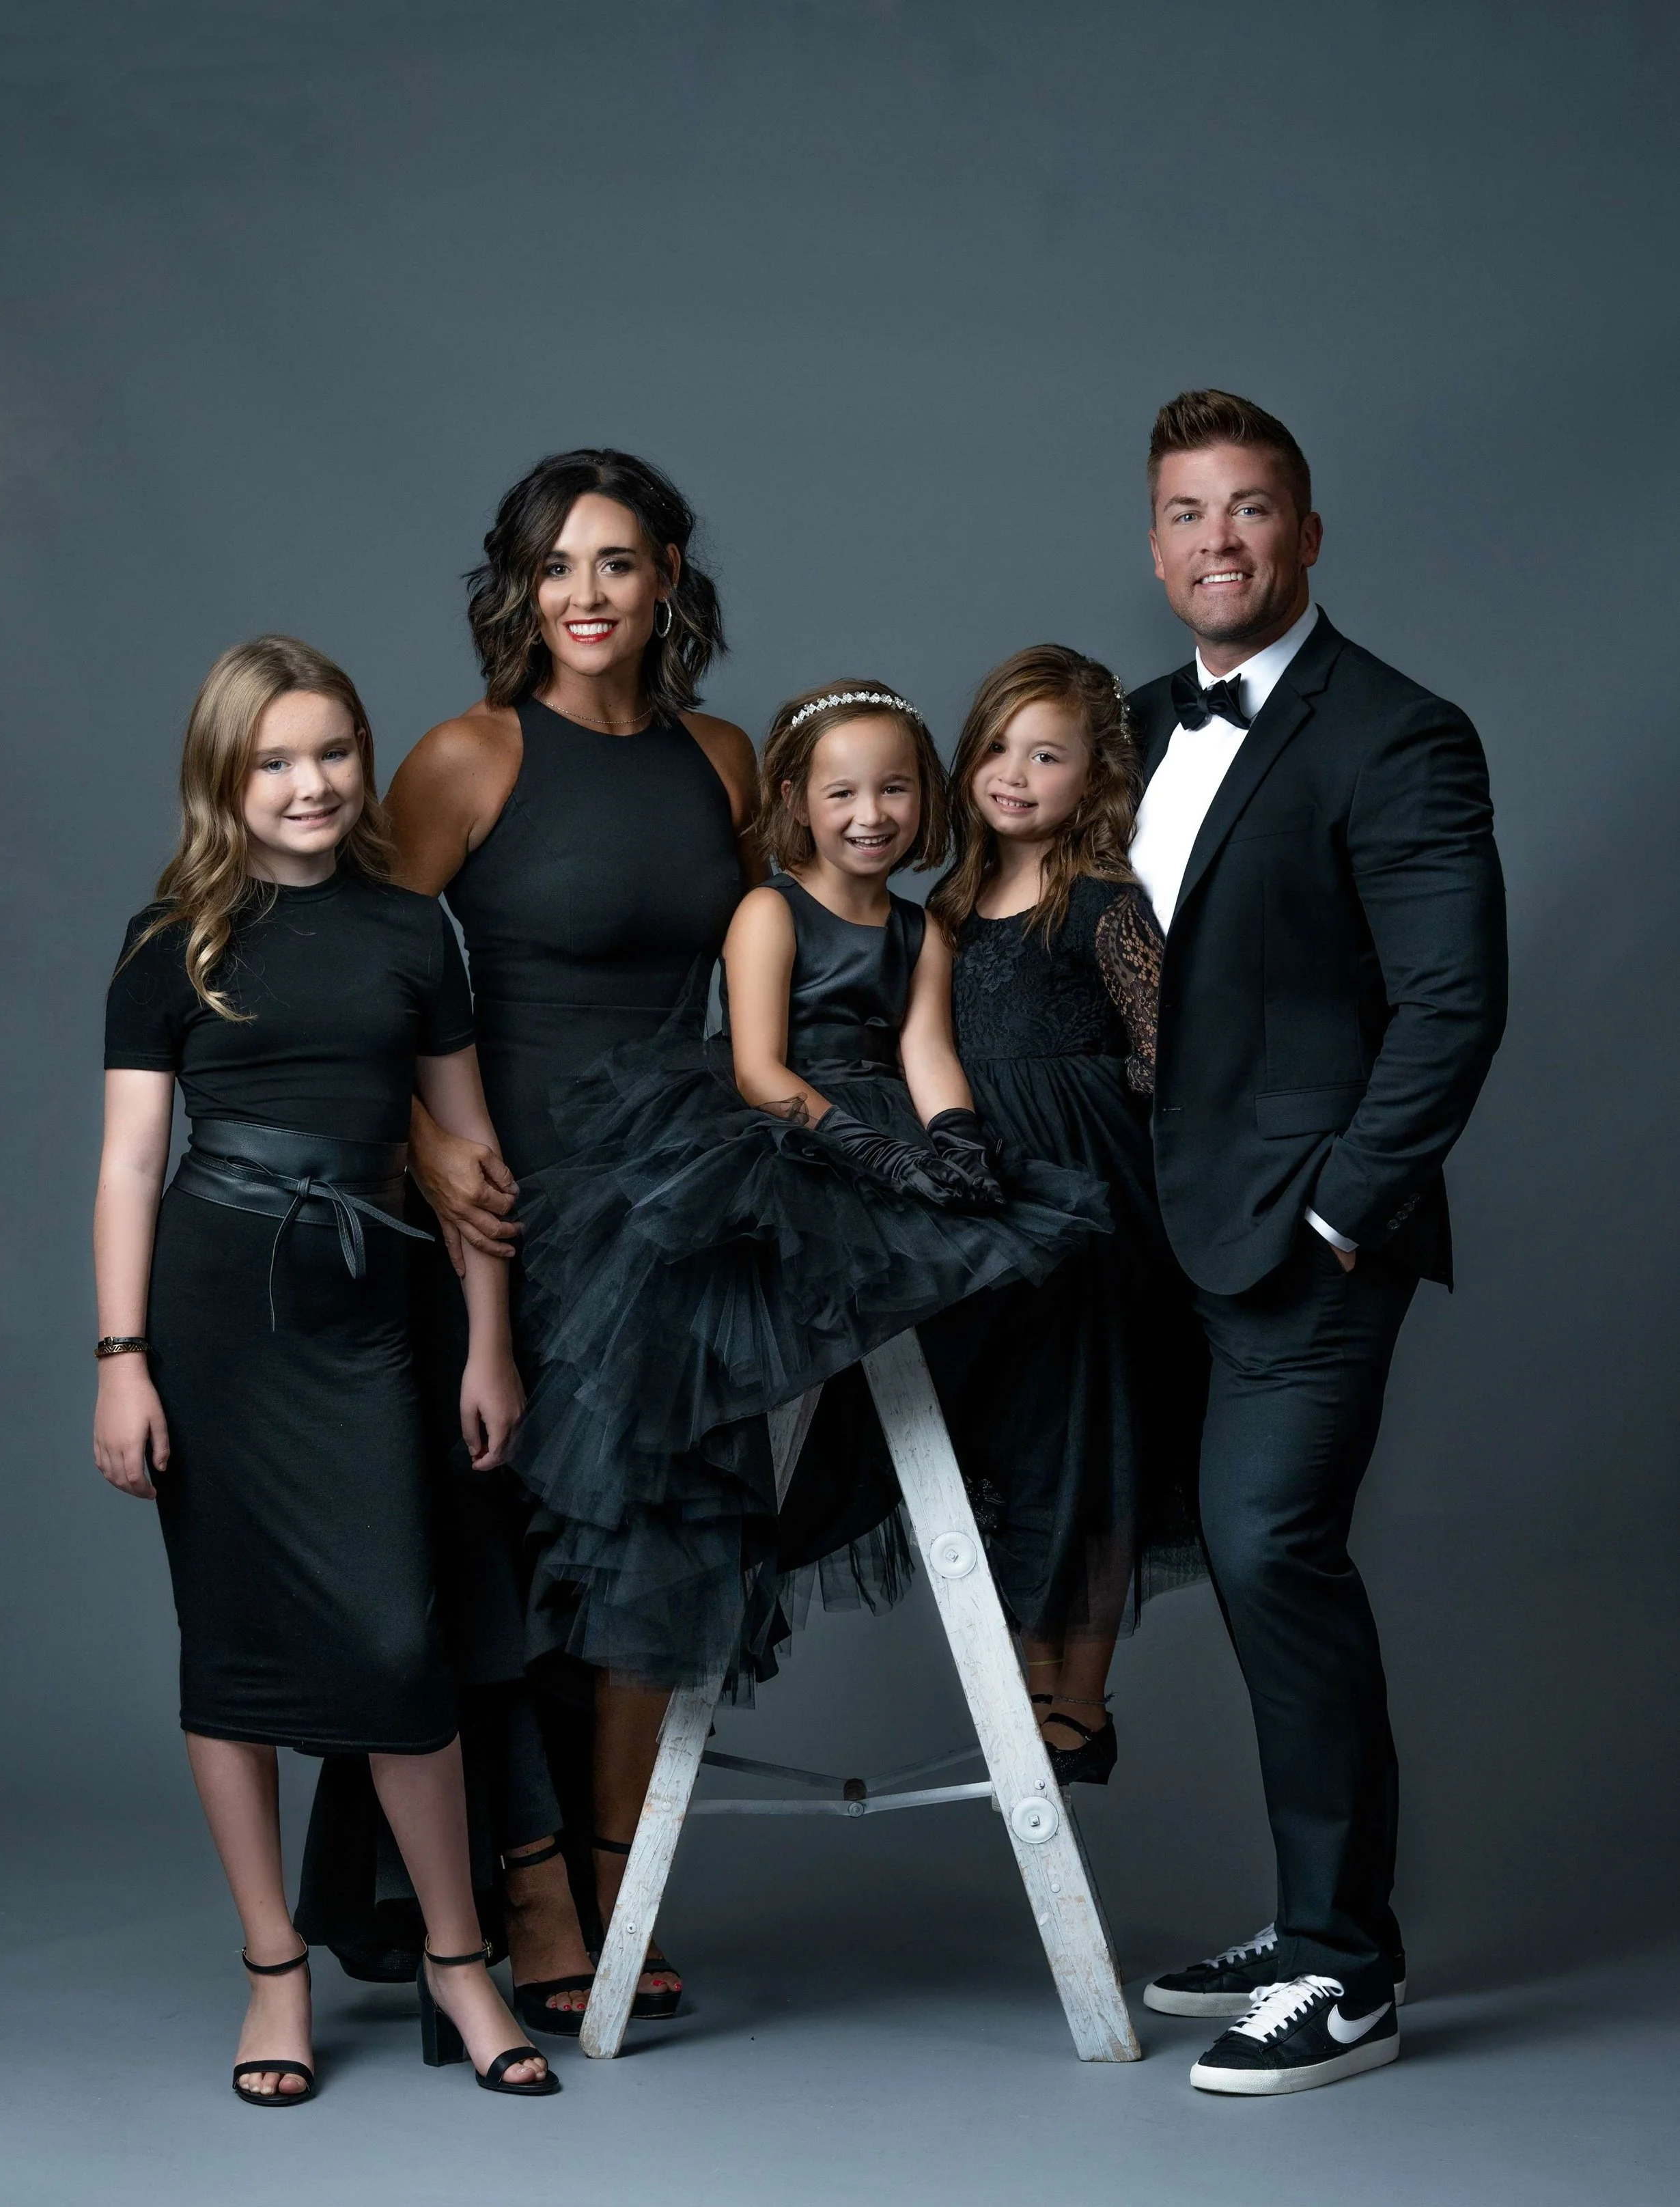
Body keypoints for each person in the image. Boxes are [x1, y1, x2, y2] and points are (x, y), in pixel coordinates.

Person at [295, 450, 756, 2033]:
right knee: (495, 1555)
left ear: (668, 575)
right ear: (519, 585)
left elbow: (786, 960)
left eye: (617, 563)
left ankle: (622, 1872)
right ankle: (533, 1880)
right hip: (504, 1213)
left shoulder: (723, 755)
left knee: (653, 1548)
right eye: (557, 565)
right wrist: (423, 1145)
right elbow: (366, 968)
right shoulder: (468, 755)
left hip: (670, 1209)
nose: (585, 595)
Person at [94, 637, 555, 2101]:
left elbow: (472, 1156)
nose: (309, 783)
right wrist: (121, 1360)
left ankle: (457, 1955)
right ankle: (273, 1970)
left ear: (364, 760)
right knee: (227, 1649)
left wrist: (489, 1337)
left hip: (373, 1312)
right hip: (216, 1313)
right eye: (275, 759)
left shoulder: (416, 931)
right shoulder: (169, 937)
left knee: (400, 1642)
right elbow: (127, 1165)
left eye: (333, 751)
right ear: (226, 778)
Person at [1123, 391, 1507, 2095]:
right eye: (1190, 514)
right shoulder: (1124, 725)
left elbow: (1450, 1000)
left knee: (1273, 1551)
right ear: (1155, 544)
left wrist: (1346, 1208)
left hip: (1305, 1238)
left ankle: (1346, 1974)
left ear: (1307, 534)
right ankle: (1309, 1916)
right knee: (1199, 1548)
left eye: (1251, 510)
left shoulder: (1398, 731)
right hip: (1143, 1238)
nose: (1219, 542)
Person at [507, 682, 1108, 1704]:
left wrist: (953, 1136)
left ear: (927, 798)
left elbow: (927, 1050)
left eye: (895, 791)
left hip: (889, 1127)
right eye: (842, 793)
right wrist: (876, 1153)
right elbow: (759, 1070)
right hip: (791, 1135)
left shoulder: (924, 930)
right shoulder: (767, 910)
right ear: (795, 798)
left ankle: (1021, 1605)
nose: (870, 815)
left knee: (1019, 1272)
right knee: (748, 1340)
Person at [926, 646, 1205, 1784]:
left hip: (1092, 1206)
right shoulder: (946, 908)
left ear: (1092, 781)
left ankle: (1075, 1696)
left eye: (1048, 755)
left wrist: (1096, 1134)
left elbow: (1166, 1053)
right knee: (1010, 1436)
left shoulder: (1105, 903)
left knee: (1090, 1436)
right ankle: (1029, 1685)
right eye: (998, 747)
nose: (1016, 772)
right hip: (986, 1208)